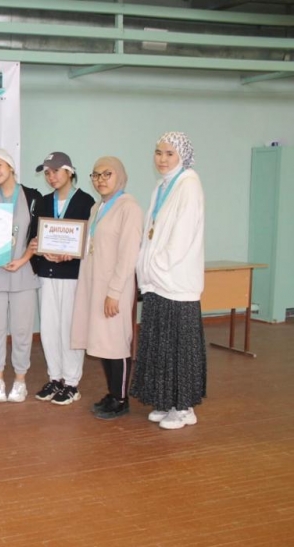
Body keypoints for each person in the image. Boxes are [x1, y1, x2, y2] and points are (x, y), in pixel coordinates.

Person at [131, 132, 206, 430]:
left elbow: (181, 237)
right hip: (157, 281)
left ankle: (184, 408)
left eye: (169, 153)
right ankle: (166, 401)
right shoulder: (162, 185)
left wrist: (157, 265)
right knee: (160, 345)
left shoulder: (189, 184)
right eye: (158, 152)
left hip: (175, 282)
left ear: (182, 156)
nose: (162, 159)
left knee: (179, 348)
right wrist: (146, 267)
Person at [70, 157, 143, 419]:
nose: (100, 180)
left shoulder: (129, 208)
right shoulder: (97, 208)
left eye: (107, 174)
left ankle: (121, 399)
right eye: (96, 175)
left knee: (117, 343)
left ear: (119, 176)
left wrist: (114, 293)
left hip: (115, 289)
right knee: (103, 341)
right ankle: (112, 394)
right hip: (95, 286)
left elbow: (128, 255)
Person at [0, 148, 42, 403]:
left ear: (11, 166)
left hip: (23, 273)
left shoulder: (33, 197)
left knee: (22, 331)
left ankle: (20, 380)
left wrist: (23, 259)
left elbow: (39, 237)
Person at [32, 151, 95, 405]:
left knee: (70, 327)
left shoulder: (86, 201)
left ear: (69, 172)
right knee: (49, 328)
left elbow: (89, 241)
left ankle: (71, 383)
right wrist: (37, 246)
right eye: (47, 173)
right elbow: (35, 237)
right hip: (46, 274)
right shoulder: (44, 202)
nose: (51, 177)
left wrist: (74, 253)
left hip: (72, 275)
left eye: (56, 171)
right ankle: (55, 377)